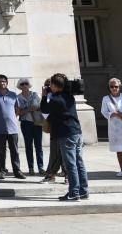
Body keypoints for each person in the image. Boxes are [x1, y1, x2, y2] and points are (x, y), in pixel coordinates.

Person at [41, 73, 88, 201]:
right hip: (76, 132)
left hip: (66, 134)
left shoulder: (56, 99)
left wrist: (44, 96)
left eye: (51, 84)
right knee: (79, 162)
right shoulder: (69, 96)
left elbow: (44, 109)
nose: (49, 86)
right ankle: (83, 190)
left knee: (71, 164)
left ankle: (74, 192)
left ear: (56, 86)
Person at [0, 74, 25, 180]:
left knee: (14, 150)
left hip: (12, 128)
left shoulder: (13, 95)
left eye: (3, 81)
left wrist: (11, 118)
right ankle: (1, 171)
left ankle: (17, 171)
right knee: (0, 151)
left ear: (7, 82)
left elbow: (17, 109)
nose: (2, 83)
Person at [16, 78, 43, 176]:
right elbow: (18, 112)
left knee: (38, 145)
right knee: (28, 146)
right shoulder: (18, 97)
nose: (24, 85)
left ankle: (41, 167)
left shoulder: (35, 95)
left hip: (36, 122)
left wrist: (28, 109)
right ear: (20, 86)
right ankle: (31, 167)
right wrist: (28, 109)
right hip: (25, 123)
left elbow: (40, 107)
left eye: (26, 83)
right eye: (22, 84)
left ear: (29, 85)